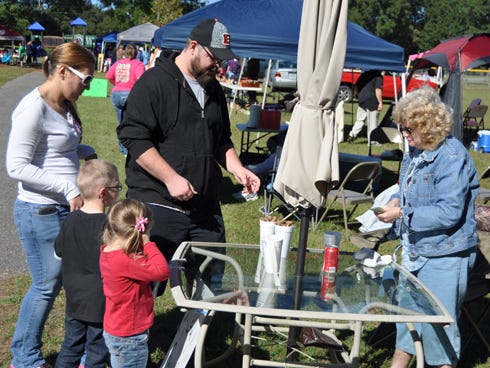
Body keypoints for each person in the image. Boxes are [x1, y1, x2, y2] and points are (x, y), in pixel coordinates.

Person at [117, 18, 260, 293]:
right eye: (214, 58)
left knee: (211, 279)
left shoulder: (214, 88)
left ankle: (201, 333)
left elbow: (221, 139)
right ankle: (135, 337)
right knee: (144, 285)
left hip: (204, 204)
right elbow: (134, 139)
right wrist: (171, 178)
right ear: (193, 46)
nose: (219, 65)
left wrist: (238, 169)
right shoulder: (154, 83)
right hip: (158, 201)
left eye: (222, 59)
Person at [5, 42, 97, 368]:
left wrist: (83, 150)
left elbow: (56, 147)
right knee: (46, 285)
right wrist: (66, 185)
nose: (87, 87)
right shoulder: (33, 108)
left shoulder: (64, 104)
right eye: (85, 79)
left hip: (63, 207)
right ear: (62, 71)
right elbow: (15, 166)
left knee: (64, 281)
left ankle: (81, 351)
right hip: (39, 210)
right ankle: (24, 358)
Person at [375, 87, 479, 368]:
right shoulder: (414, 150)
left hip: (445, 254)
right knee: (407, 318)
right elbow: (408, 185)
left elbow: (449, 213)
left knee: (438, 325)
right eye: (402, 128)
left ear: (429, 127)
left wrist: (402, 213)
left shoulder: (451, 157)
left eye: (408, 129)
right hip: (415, 249)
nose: (404, 136)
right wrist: (398, 198)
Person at [54, 159, 121, 368]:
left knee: (70, 346)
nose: (119, 191)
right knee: (97, 350)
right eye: (117, 187)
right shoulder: (109, 228)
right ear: (103, 192)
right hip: (100, 304)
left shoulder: (70, 220)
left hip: (74, 300)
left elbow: (58, 252)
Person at [100, 199, 170, 368]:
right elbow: (162, 271)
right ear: (140, 232)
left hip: (117, 328)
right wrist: (147, 243)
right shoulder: (124, 261)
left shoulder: (108, 251)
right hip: (129, 336)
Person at [106, 44, 145, 155]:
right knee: (133, 123)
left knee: (121, 123)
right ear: (136, 53)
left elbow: (109, 75)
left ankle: (124, 150)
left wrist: (117, 84)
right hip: (129, 94)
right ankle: (133, 147)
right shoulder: (138, 64)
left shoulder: (118, 63)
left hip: (116, 94)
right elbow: (140, 79)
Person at [347, 69, 384, 145]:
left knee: (360, 120)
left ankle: (352, 134)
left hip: (362, 100)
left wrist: (356, 95)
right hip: (372, 101)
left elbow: (356, 85)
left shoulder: (364, 74)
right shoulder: (378, 76)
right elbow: (378, 90)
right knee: (372, 123)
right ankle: (372, 141)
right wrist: (380, 102)